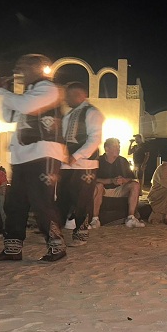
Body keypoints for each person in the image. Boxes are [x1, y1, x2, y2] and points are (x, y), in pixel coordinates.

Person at [0, 54, 68, 262]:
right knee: (15, 203)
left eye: (23, 67)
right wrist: (2, 94)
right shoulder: (27, 93)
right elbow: (8, 116)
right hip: (22, 156)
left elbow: (24, 106)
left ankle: (57, 246)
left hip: (44, 154)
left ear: (38, 69)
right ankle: (13, 248)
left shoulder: (48, 89)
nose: (19, 71)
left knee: (42, 202)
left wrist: (3, 91)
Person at [57, 81, 104, 246]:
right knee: (63, 196)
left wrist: (76, 156)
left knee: (82, 199)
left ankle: (81, 233)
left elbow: (95, 138)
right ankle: (59, 230)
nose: (65, 99)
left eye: (68, 96)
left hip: (85, 164)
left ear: (79, 95)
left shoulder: (92, 113)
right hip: (67, 163)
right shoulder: (69, 114)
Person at [92, 137, 145, 229]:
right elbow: (92, 178)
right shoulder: (98, 161)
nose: (118, 149)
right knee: (98, 186)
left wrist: (124, 180)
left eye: (119, 146)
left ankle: (131, 218)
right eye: (115, 146)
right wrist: (110, 180)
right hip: (103, 189)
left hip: (119, 189)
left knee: (135, 185)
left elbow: (131, 178)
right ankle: (95, 219)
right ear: (107, 149)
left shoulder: (122, 161)